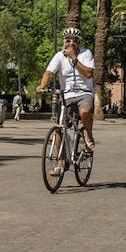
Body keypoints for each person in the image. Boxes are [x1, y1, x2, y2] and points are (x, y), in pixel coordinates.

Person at [37, 26, 96, 176]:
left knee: (84, 112)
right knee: (59, 128)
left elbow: (89, 73)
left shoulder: (85, 53)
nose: (70, 43)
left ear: (78, 42)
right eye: (67, 40)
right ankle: (60, 162)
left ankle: (88, 135)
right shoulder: (59, 56)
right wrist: (42, 85)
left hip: (84, 93)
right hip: (67, 96)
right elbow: (49, 72)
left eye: (74, 41)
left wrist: (73, 59)